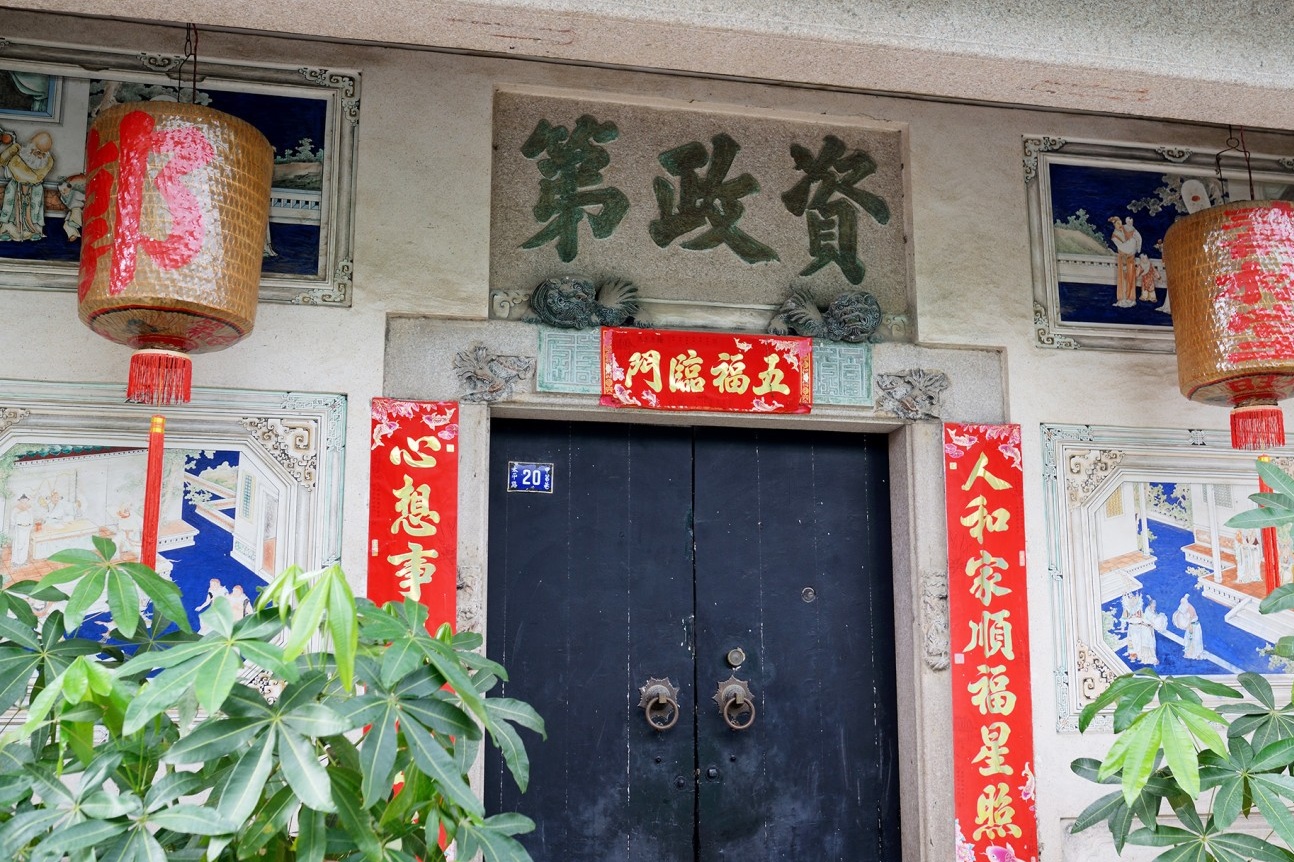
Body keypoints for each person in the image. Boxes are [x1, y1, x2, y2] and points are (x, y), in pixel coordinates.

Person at [0, 129, 55, 241]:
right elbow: (2, 161)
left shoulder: (48, 161)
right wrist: (12, 149)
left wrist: (19, 173)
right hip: (15, 186)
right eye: (37, 152)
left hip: (33, 189)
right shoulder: (20, 152)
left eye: (43, 154)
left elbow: (36, 177)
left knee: (31, 212)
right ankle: (7, 231)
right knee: (11, 210)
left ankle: (31, 231)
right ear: (30, 148)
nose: (40, 156)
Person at [1109, 216, 1141, 308]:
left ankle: (1131, 298)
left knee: (1131, 277)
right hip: (1123, 257)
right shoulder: (1115, 236)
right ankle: (1123, 298)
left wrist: (1134, 244)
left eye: (1120, 223)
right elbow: (1122, 247)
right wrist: (1131, 244)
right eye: (1117, 224)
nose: (1120, 225)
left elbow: (1135, 234)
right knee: (1123, 278)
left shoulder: (1125, 229)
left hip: (1130, 258)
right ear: (1114, 225)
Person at [1173, 594, 1205, 660]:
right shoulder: (1186, 607)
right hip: (1191, 625)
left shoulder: (1190, 608)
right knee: (1190, 639)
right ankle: (1190, 652)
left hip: (1193, 626)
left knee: (1193, 639)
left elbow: (1191, 618)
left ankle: (1194, 653)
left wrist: (1189, 625)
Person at [8, 495, 33, 568]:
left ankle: (23, 560)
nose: (24, 502)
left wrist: (30, 526)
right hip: (19, 529)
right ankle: (16, 562)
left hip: (27, 529)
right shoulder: (15, 509)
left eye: (26, 500)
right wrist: (13, 528)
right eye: (23, 501)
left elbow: (31, 518)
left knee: (25, 545)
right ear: (20, 501)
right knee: (18, 545)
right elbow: (12, 520)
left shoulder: (29, 508)